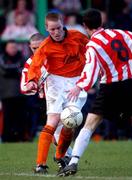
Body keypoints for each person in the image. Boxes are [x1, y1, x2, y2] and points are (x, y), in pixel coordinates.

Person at [58, 8, 132, 176]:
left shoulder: (93, 45)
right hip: (130, 84)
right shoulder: (121, 33)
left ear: (85, 26)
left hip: (109, 87)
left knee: (89, 125)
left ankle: (73, 162)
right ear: (101, 22)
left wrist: (80, 86)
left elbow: (90, 71)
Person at [25, 12, 88, 173]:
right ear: (47, 28)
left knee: (70, 123)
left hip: (76, 82)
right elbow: (36, 65)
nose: (56, 32)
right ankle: (40, 164)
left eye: (58, 28)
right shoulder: (45, 45)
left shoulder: (77, 36)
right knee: (52, 121)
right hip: (55, 82)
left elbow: (91, 50)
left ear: (63, 24)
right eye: (52, 30)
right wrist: (32, 80)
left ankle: (60, 155)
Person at [20, 32, 72, 157]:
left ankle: (67, 156)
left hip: (62, 97)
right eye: (34, 48)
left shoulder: (56, 56)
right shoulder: (30, 63)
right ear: (29, 47)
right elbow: (23, 87)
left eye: (40, 47)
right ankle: (68, 156)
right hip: (43, 101)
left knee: (62, 128)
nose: (37, 50)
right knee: (56, 131)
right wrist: (32, 85)